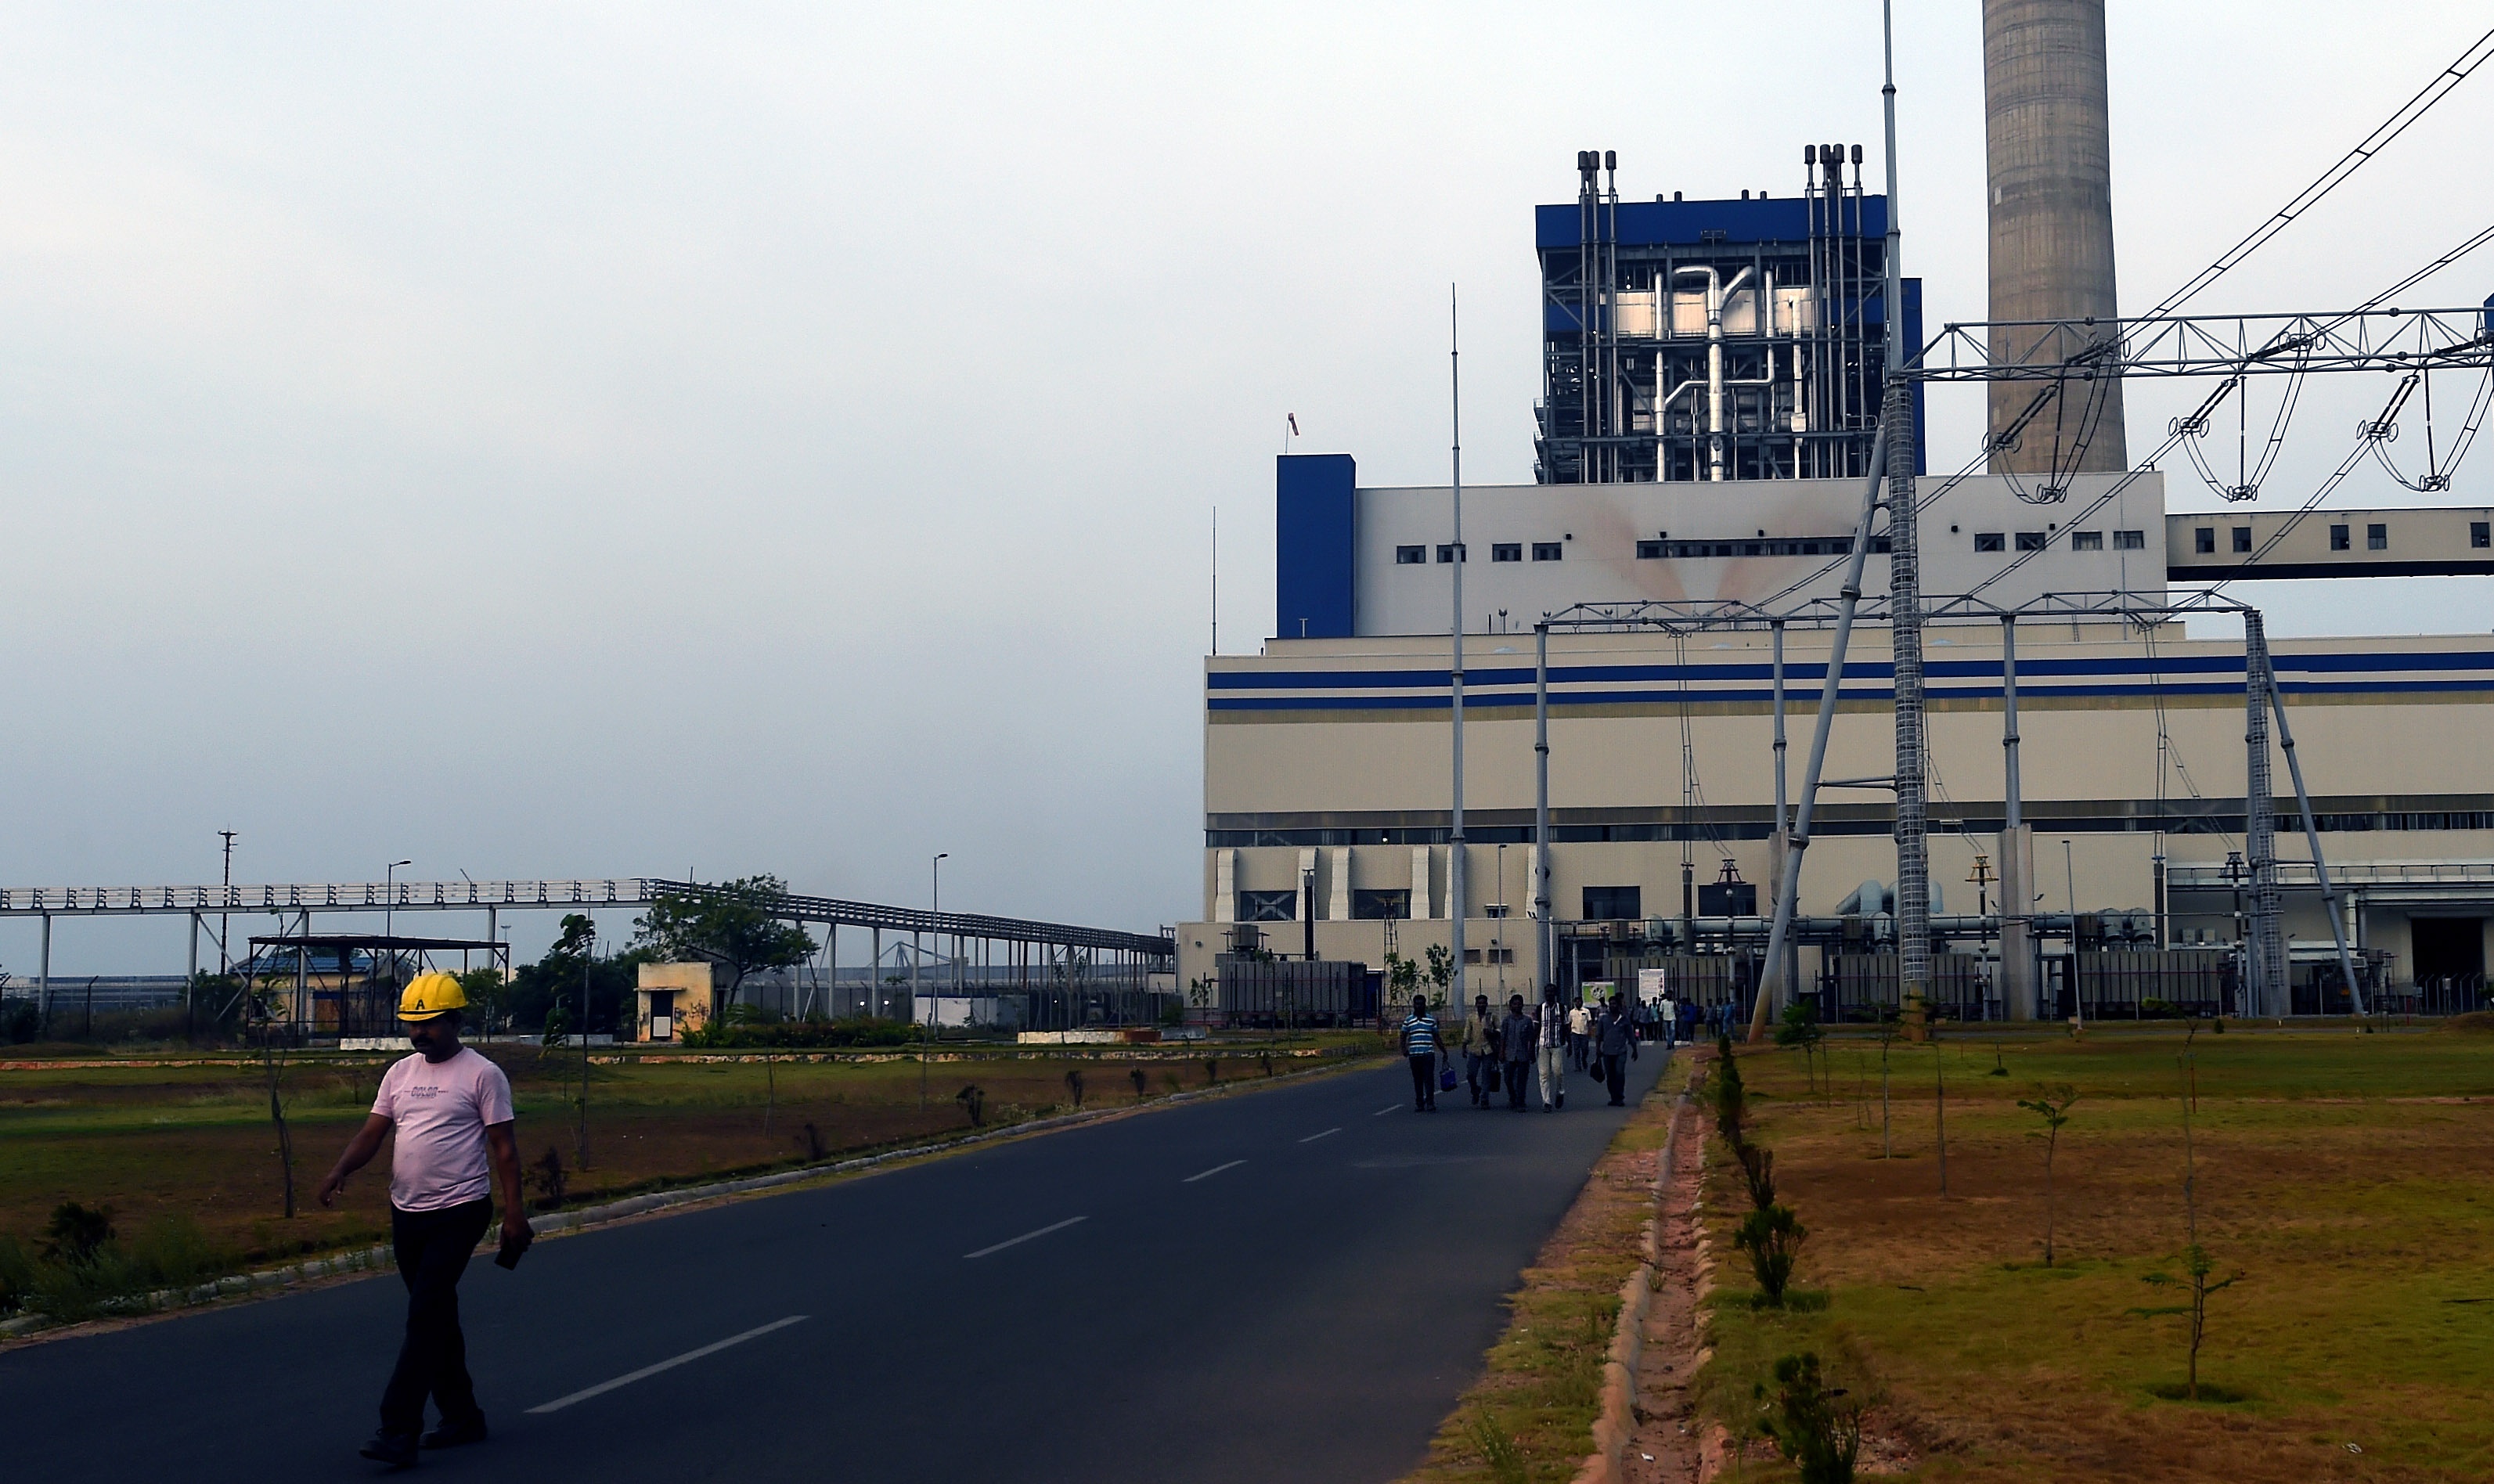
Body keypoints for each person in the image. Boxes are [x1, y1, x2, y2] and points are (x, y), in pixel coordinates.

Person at [319, 972, 532, 1468]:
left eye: (430, 1024)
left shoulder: (482, 1075)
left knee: (423, 1316)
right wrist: (340, 1169)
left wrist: (514, 1214)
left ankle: (398, 1430)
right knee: (436, 1316)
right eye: (413, 1025)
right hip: (407, 1212)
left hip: (461, 1210)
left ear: (455, 1021)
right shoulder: (400, 1074)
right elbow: (373, 1134)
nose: (419, 1034)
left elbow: (504, 1149)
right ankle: (462, 1416)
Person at [1595, 992, 1639, 1106]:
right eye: (1610, 1004)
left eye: (1614, 1004)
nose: (1612, 1006)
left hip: (1621, 1051)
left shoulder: (1624, 1020)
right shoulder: (1604, 1019)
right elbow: (1599, 1035)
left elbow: (1630, 1035)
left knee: (1619, 1073)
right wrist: (1598, 1049)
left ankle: (1620, 1096)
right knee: (1610, 1076)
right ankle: (1613, 1097)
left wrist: (1634, 1050)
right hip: (1607, 1052)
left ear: (1619, 1006)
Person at [1400, 993, 1440, 1112]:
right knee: (1418, 1080)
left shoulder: (1430, 1020)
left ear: (1425, 1005)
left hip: (1428, 1054)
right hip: (1414, 1055)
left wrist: (1444, 1051)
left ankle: (1430, 1102)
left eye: (1421, 1004)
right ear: (1414, 1005)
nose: (1419, 1006)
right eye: (1417, 1004)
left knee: (1429, 1079)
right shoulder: (1409, 1020)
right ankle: (1419, 1103)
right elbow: (1403, 1035)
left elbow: (1436, 1036)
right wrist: (1404, 1049)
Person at [1499, 993, 1535, 1111]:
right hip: (1509, 1054)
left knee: (1521, 1080)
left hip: (1523, 1054)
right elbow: (1503, 1037)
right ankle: (1512, 1097)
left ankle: (1520, 1101)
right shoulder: (1506, 1021)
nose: (1517, 1006)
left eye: (1519, 1004)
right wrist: (1501, 1052)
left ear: (1522, 1005)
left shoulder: (1527, 1021)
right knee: (1508, 1078)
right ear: (1510, 1006)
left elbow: (1531, 1038)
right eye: (1515, 1004)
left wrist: (1531, 1053)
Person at [1536, 984, 1568, 1111]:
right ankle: (1546, 1101)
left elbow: (1566, 1026)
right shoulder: (1540, 1009)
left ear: (1555, 993)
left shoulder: (1562, 1008)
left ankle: (1560, 1091)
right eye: (1547, 992)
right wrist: (1532, 1046)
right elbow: (1537, 1027)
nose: (1549, 994)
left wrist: (1569, 1044)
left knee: (1558, 1072)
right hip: (1543, 1045)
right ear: (1545, 993)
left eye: (1551, 992)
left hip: (1557, 1045)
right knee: (1544, 1074)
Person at [1463, 992, 1498, 1107]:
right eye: (1479, 1003)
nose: (1481, 1005)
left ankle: (1484, 1099)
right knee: (1470, 1074)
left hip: (1488, 1049)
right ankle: (1475, 1090)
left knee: (1486, 1075)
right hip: (1474, 1049)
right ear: (1476, 1004)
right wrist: (1464, 1046)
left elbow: (1499, 1030)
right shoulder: (1471, 1018)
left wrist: (1491, 1032)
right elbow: (1467, 1032)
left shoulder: (1492, 1017)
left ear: (1487, 1004)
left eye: (1483, 1003)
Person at [1566, 998, 1593, 1072]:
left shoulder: (1586, 1011)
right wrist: (1569, 1032)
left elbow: (1589, 1021)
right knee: (1576, 1050)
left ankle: (1584, 1059)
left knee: (1585, 1049)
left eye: (1579, 1002)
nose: (1578, 1003)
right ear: (1575, 1003)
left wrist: (1590, 1031)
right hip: (1575, 1033)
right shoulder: (1572, 1012)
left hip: (1584, 1033)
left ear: (1582, 1002)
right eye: (1577, 1002)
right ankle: (1578, 1066)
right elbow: (1569, 1022)